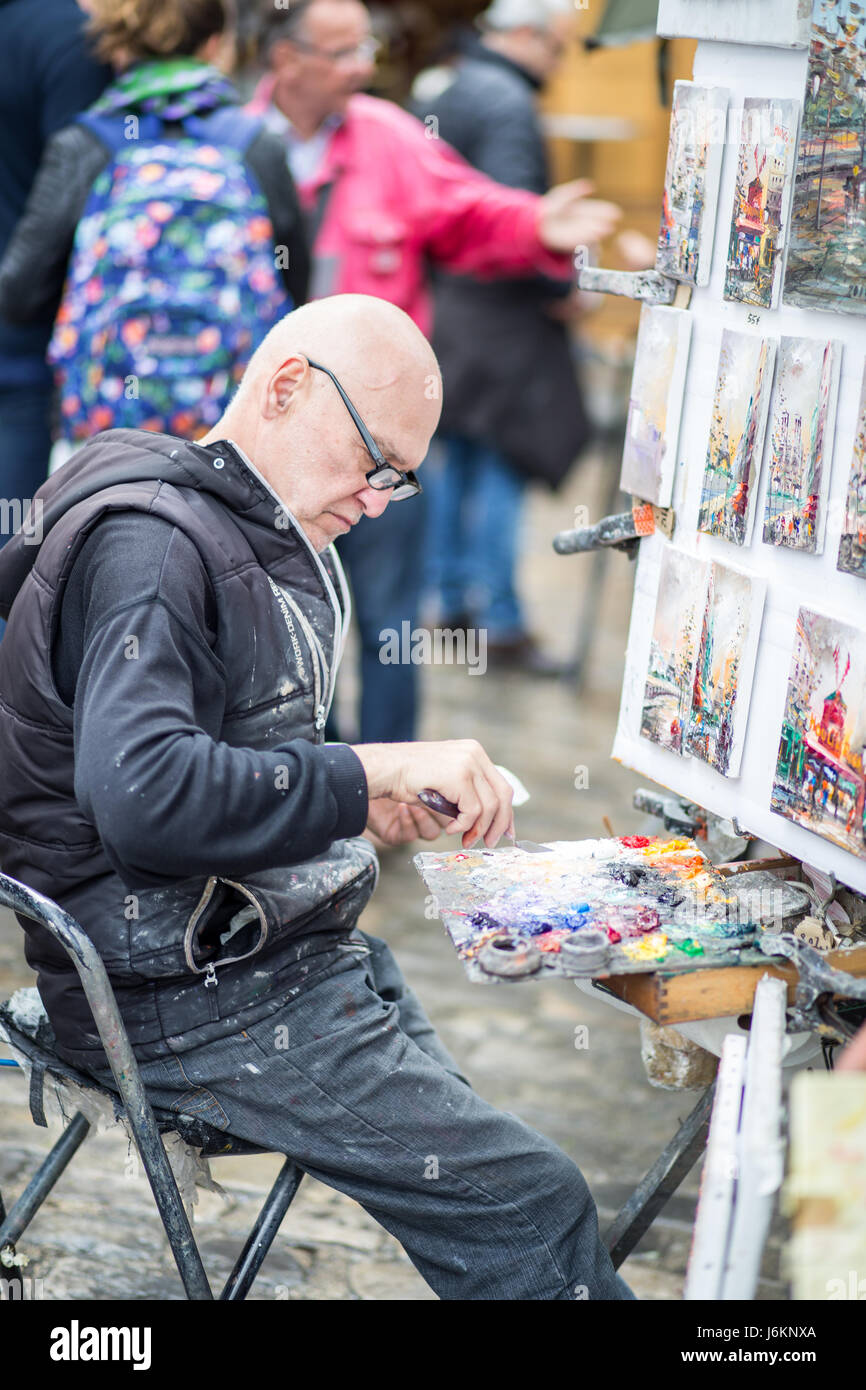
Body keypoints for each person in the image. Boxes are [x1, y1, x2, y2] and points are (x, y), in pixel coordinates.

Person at [0, 294, 631, 1302]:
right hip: (181, 998)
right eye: (373, 461)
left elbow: (212, 766)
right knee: (531, 1199)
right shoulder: (158, 547)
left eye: (399, 480)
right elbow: (144, 797)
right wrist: (364, 770)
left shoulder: (227, 519)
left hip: (247, 964)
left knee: (491, 1167)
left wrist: (356, 805)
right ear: (289, 386)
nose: (377, 499)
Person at [248, 0, 620, 738]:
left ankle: (393, 788)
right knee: (269, 627)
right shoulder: (231, 143)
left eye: (368, 48)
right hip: (269, 443)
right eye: (343, 52)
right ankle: (294, 789)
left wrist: (534, 225)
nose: (364, 67)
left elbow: (468, 210)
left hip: (375, 440)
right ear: (286, 59)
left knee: (390, 620)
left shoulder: (387, 137)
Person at [0, 0, 309, 445]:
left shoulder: (87, 145)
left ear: (118, 48)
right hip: (230, 427)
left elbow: (18, 293)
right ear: (215, 45)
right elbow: (294, 288)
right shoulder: (256, 146)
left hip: (109, 436)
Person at [412, 0, 591, 673]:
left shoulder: (450, 85)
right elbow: (520, 220)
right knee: (500, 465)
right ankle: (501, 621)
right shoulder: (509, 102)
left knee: (452, 460)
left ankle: (447, 601)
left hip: (449, 313)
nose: (558, 63)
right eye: (555, 48)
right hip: (501, 323)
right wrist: (561, 290)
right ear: (522, 34)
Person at [0, 0, 111, 643]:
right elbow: (74, 194)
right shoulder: (67, 38)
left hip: (20, 344)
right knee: (14, 561)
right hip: (22, 347)